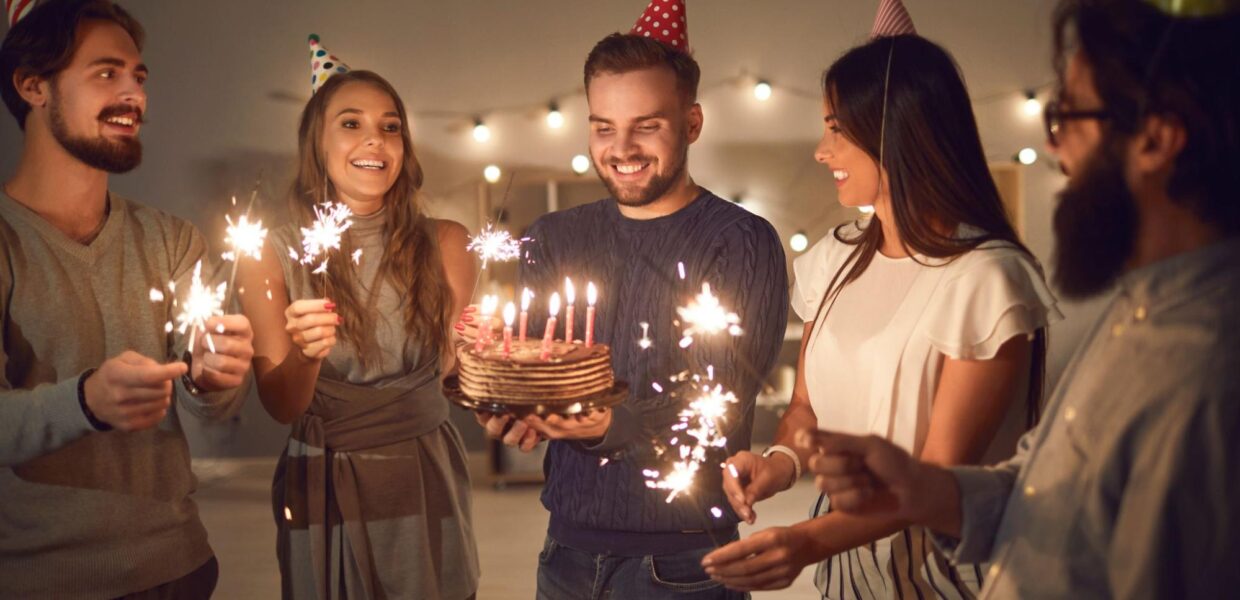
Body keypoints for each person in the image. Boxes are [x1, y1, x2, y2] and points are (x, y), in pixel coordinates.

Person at [800, 0, 1240, 597]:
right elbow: (1045, 493)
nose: (1056, 150)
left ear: (1157, 139)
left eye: (1068, 118)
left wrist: (833, 529)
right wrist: (911, 486)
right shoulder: (1136, 318)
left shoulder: (1204, 362)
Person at [702, 1, 1060, 595]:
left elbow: (937, 478)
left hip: (947, 570)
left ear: (897, 132)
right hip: (848, 564)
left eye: (837, 129)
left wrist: (807, 541)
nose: (822, 151)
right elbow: (806, 414)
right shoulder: (837, 257)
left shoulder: (986, 279)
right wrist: (779, 465)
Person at [476, 3, 788, 597]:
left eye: (647, 125)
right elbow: (539, 372)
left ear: (692, 123)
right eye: (603, 126)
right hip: (565, 553)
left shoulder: (741, 242)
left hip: (684, 561)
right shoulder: (551, 237)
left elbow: (715, 405)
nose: (621, 148)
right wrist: (511, 406)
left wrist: (602, 427)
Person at [0, 0, 254, 597]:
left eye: (138, 76)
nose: (134, 94)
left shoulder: (172, 239)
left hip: (180, 567)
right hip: (41, 580)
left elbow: (210, 415)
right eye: (106, 72)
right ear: (33, 85)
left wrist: (213, 380)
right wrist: (85, 400)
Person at [236, 35, 479, 599]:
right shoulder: (268, 254)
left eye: (390, 126)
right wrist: (305, 354)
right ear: (316, 144)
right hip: (323, 480)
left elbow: (454, 374)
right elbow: (280, 405)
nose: (375, 138)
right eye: (350, 123)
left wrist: (483, 357)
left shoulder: (447, 243)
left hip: (425, 477)